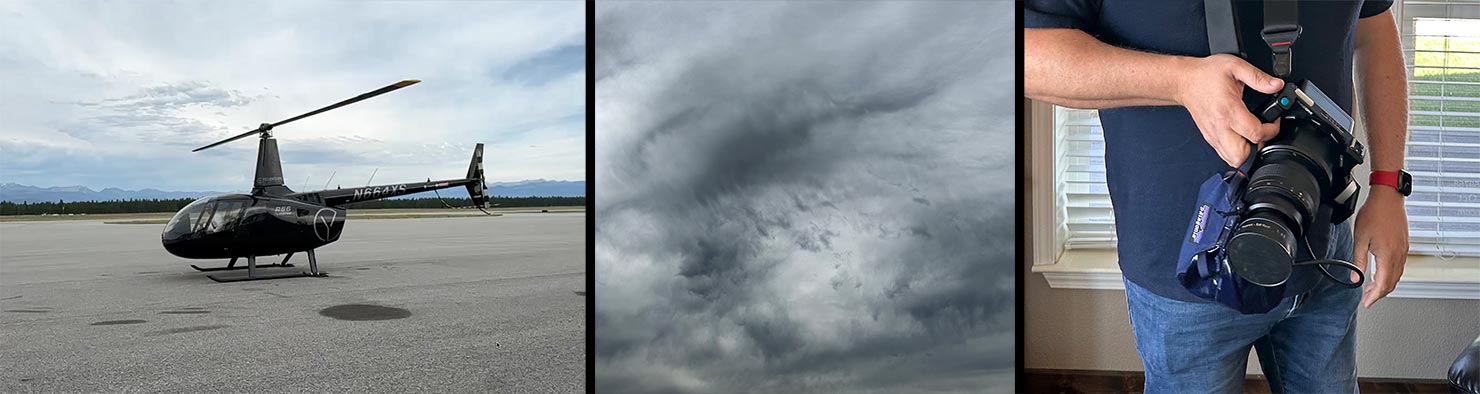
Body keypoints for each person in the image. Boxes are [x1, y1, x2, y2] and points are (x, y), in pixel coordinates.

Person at [1025, 1, 1410, 392]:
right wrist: (1180, 81)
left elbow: (1373, 25)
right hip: (1188, 269)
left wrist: (1388, 185)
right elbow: (1030, 56)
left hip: (1322, 247)